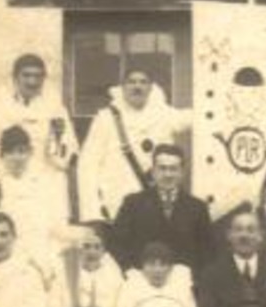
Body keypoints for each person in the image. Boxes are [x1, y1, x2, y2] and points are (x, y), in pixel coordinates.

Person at [77, 68, 191, 224]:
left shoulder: (163, 114)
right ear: (123, 87)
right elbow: (87, 165)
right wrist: (92, 211)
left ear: (151, 87)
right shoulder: (106, 118)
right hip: (117, 199)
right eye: (132, 82)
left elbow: (199, 117)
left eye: (143, 82)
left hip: (155, 201)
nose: (137, 87)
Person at [0, 125, 71, 280]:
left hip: (40, 250)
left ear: (30, 153)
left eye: (21, 151)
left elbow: (55, 225)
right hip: (7, 254)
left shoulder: (43, 182)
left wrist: (50, 263)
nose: (16, 157)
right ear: (2, 156)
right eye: (10, 152)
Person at [109, 144, 217, 275]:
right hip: (142, 282)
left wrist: (192, 279)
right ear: (153, 171)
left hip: (184, 286)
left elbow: (207, 252)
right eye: (162, 168)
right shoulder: (133, 203)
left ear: (182, 172)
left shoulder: (197, 208)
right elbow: (116, 244)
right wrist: (131, 272)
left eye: (173, 169)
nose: (168, 174)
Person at [0, 54, 75, 179]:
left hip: (48, 184)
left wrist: (55, 148)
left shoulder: (56, 110)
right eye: (26, 75)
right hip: (12, 183)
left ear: (44, 78)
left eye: (38, 76)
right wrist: (10, 167)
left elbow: (69, 151)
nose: (32, 82)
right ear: (15, 77)